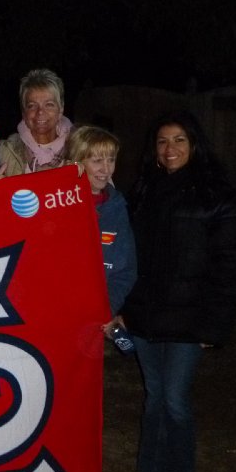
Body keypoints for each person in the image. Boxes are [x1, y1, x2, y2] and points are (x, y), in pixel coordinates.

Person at [120, 111, 236, 472]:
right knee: (154, 396)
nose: (169, 149)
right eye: (162, 141)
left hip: (190, 320)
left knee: (174, 399)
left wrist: (215, 325)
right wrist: (122, 307)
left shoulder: (218, 197)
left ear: (194, 145)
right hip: (145, 315)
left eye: (178, 140)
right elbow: (127, 257)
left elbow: (230, 266)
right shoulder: (142, 191)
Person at [65, 125, 136, 329]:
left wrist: (107, 309)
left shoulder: (116, 208)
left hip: (92, 323)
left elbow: (125, 271)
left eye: (111, 159)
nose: (106, 169)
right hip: (54, 318)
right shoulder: (54, 203)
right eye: (97, 161)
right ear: (76, 163)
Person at [0, 68, 73, 176]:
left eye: (49, 104)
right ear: (24, 113)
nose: (40, 112)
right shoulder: (8, 151)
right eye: (32, 106)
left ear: (60, 110)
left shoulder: (80, 147)